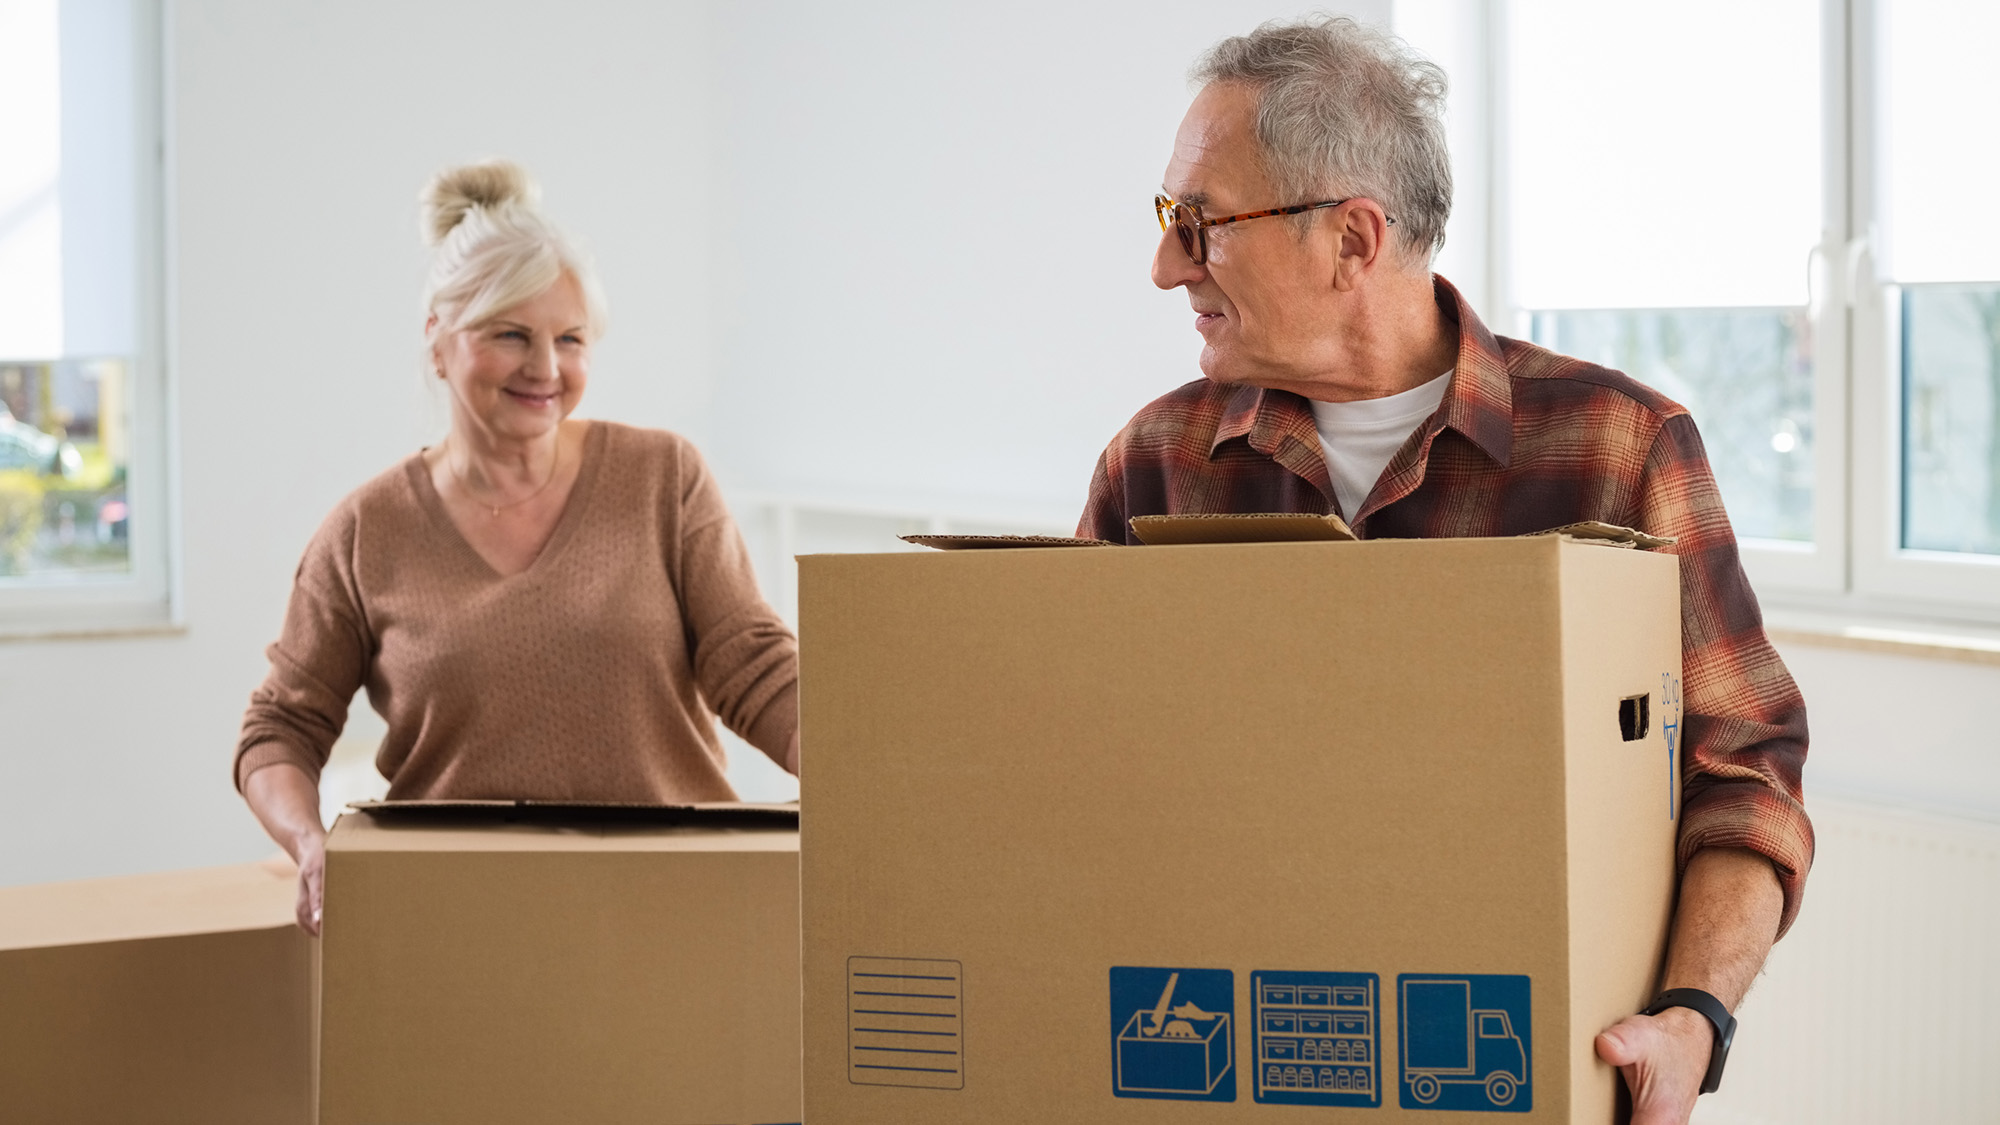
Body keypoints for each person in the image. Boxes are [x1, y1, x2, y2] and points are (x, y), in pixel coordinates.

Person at [1080, 18, 1810, 1125]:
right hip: (1218, 1067)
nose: (1163, 266)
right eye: (1166, 221)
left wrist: (1689, 1021)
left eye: (1200, 224)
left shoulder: (1619, 447)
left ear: (1352, 240)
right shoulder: (1156, 462)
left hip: (1512, 1068)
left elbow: (1742, 780)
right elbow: (1073, 772)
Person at [235, 161, 798, 936]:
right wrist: (311, 843)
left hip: (674, 906)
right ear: (439, 340)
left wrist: (853, 773)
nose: (546, 367)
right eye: (511, 334)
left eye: (570, 339)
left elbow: (753, 663)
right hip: (461, 923)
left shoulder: (663, 478)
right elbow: (279, 730)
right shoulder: (367, 531)